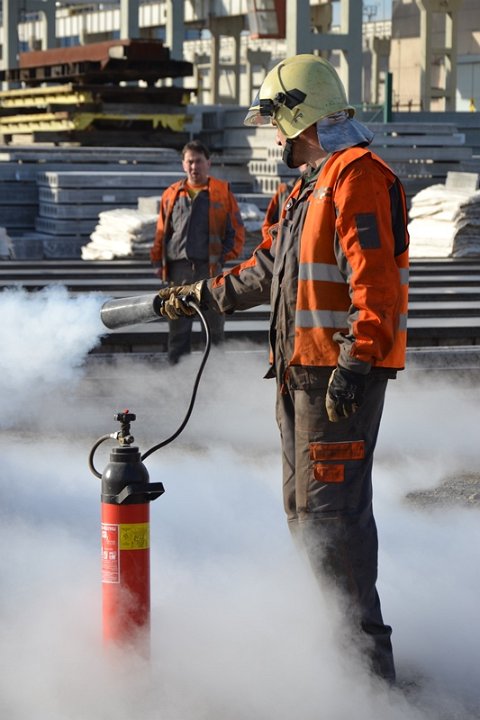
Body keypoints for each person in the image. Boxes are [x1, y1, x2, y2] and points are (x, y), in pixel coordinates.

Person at [156, 55, 409, 683]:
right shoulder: (302, 190)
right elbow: (265, 271)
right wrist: (200, 296)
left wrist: (356, 362)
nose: (274, 136)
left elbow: (376, 284)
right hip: (301, 375)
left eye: (277, 121)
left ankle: (368, 677)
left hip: (336, 378)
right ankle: (338, 657)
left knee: (333, 522)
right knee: (304, 515)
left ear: (303, 116)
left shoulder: (357, 178)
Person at [150, 139, 245, 364]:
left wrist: (223, 258)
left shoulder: (222, 192)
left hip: (210, 271)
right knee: (178, 330)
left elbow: (236, 231)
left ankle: (215, 376)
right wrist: (157, 262)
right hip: (179, 272)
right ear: (183, 164)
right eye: (190, 162)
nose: (194, 166)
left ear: (208, 163)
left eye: (199, 161)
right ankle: (178, 375)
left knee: (213, 329)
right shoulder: (172, 194)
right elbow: (162, 231)